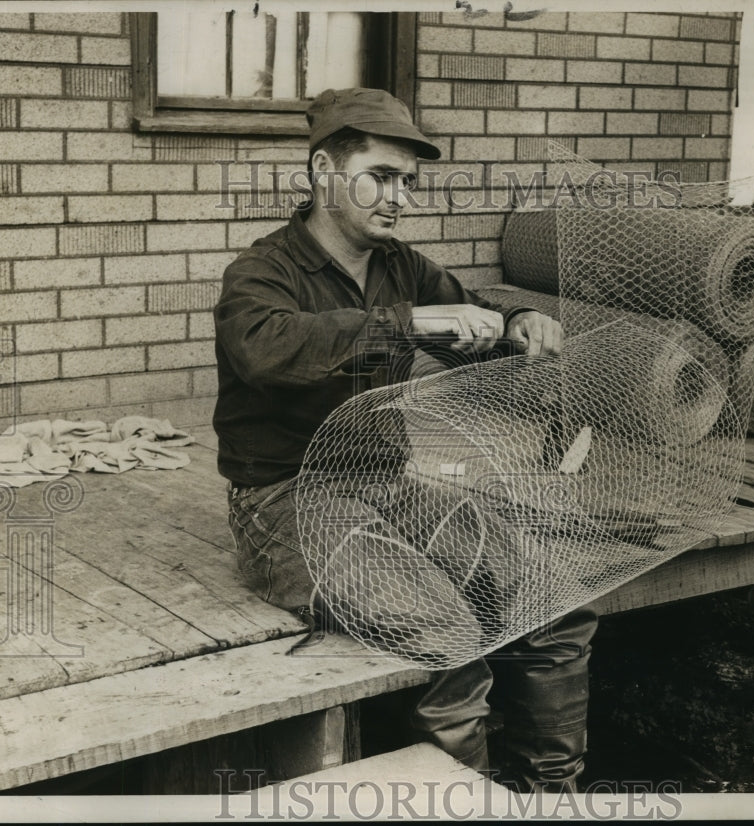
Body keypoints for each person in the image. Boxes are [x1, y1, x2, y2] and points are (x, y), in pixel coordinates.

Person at [213, 87, 598, 792]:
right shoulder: (261, 274)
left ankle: (552, 795)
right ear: (325, 170)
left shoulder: (401, 266)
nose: (400, 199)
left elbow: (470, 318)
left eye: (407, 184)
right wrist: (411, 323)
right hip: (288, 501)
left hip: (389, 483)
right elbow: (266, 350)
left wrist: (515, 326)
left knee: (554, 601)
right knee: (446, 633)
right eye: (381, 177)